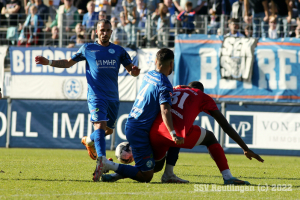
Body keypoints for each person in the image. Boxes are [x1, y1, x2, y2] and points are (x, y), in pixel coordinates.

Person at [35, 19, 140, 182]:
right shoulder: (88, 48)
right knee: (100, 125)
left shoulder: (119, 51)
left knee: (108, 130)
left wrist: (134, 71)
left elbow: (131, 70)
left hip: (113, 97)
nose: (104, 33)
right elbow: (68, 63)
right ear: (96, 32)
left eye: (107, 30)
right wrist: (48, 62)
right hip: (96, 96)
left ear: (111, 32)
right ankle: (102, 160)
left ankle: (88, 140)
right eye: (102, 30)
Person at [102, 81, 264, 184]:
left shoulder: (176, 88)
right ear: (200, 90)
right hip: (174, 134)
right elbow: (225, 126)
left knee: (151, 168)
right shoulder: (203, 96)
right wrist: (245, 147)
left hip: (154, 131)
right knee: (210, 137)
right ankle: (228, 177)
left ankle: (117, 175)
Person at [82, 48, 177, 183]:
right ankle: (108, 165)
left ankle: (112, 175)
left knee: (150, 165)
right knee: (147, 175)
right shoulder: (165, 84)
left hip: (134, 124)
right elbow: (165, 109)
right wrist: (173, 132)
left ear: (156, 61)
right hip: (140, 130)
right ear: (171, 64)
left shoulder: (149, 75)